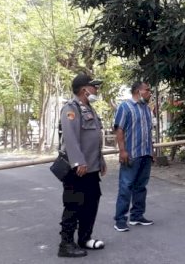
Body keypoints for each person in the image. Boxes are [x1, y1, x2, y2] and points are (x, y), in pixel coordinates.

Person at [57, 74, 107, 258]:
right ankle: (66, 244)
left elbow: (94, 139)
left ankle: (85, 238)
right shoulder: (71, 108)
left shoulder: (90, 109)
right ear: (84, 89)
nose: (96, 89)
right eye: (94, 86)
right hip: (77, 168)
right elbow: (70, 138)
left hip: (91, 168)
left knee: (91, 202)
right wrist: (78, 161)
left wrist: (100, 160)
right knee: (73, 204)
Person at [113, 81, 155, 232]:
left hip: (145, 153)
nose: (150, 93)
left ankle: (137, 216)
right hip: (131, 154)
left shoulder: (146, 109)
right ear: (138, 91)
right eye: (147, 90)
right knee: (126, 186)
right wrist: (122, 150)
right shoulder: (125, 107)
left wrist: (152, 151)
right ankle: (120, 220)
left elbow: (148, 131)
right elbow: (119, 130)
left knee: (141, 186)